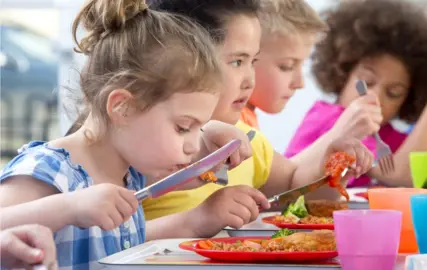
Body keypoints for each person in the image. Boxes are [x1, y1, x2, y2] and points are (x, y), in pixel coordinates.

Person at [0, 0, 257, 268]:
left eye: (199, 127)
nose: (192, 146)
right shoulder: (49, 170)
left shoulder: (130, 175)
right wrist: (69, 208)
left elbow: (191, 173)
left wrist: (213, 138)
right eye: (183, 127)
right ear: (122, 107)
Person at [143, 0, 374, 226]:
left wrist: (330, 169)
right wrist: (199, 218)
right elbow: (117, 240)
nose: (249, 80)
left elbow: (296, 190)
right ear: (183, 61)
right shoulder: (146, 145)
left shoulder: (248, 141)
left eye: (252, 62)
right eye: (236, 62)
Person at [285, 0, 427, 187]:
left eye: (394, 93)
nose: (375, 97)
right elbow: (403, 176)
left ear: (406, 101)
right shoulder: (334, 120)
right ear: (342, 74)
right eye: (366, 83)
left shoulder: (385, 135)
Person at [239, 0, 326, 129]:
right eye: (287, 66)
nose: (300, 83)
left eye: (302, 65)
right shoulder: (232, 123)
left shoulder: (247, 118)